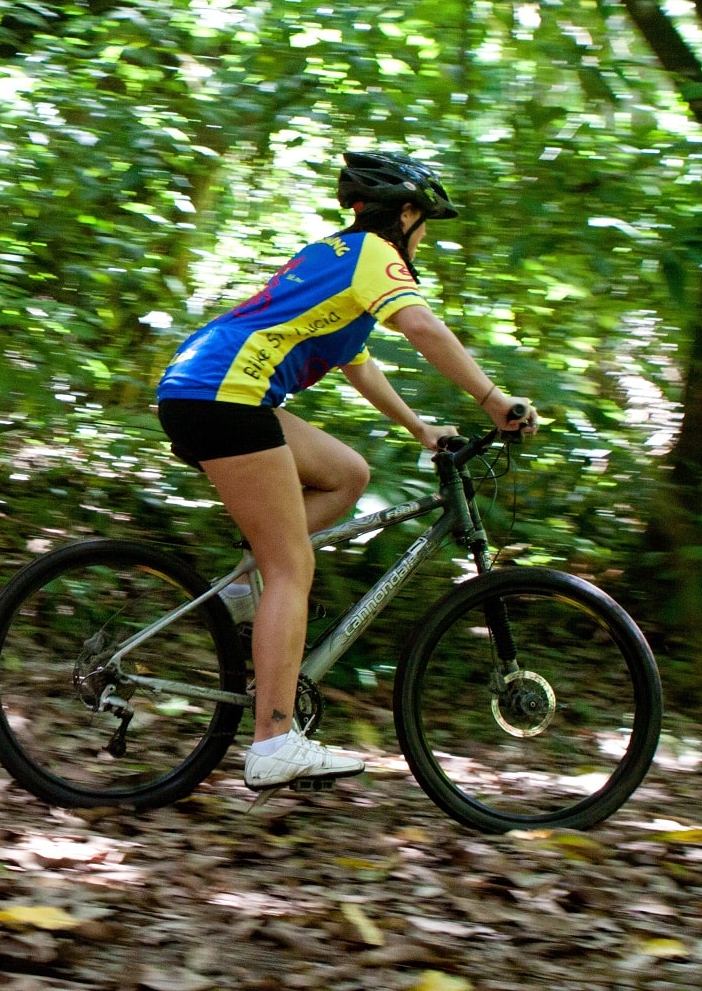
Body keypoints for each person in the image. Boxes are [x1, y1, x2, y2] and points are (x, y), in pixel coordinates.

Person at [156, 151, 535, 791]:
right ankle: (273, 740)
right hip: (224, 394)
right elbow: (420, 326)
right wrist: (493, 401)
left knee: (347, 475)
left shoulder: (333, 260)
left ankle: (241, 590)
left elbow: (359, 363)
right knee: (292, 565)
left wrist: (420, 429)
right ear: (406, 213)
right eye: (425, 224)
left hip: (212, 388)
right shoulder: (371, 253)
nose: (424, 240)